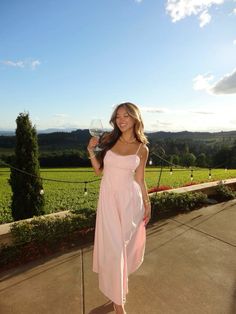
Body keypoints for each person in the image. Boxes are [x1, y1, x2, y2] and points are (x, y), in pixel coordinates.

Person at [87, 102, 151, 314]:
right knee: (114, 250)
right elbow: (99, 171)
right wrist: (90, 151)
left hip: (130, 202)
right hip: (109, 201)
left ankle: (119, 285)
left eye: (126, 116)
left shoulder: (142, 149)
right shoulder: (108, 140)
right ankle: (118, 303)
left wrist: (147, 203)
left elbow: (140, 179)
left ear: (135, 118)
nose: (121, 120)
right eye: (118, 116)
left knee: (123, 248)